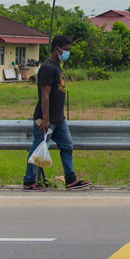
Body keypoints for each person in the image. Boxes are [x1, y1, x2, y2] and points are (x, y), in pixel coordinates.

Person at [22, 34, 91, 191]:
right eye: (65, 50)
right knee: (38, 148)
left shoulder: (57, 66)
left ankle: (70, 179)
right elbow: (44, 94)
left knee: (67, 146)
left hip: (59, 119)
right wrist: (45, 119)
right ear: (57, 49)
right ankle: (29, 181)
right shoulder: (48, 68)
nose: (67, 53)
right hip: (46, 119)